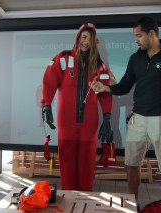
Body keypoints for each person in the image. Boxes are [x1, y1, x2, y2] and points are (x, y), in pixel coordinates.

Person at [90, 16, 161, 212]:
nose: (136, 40)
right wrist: (105, 87)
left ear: (152, 34)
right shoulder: (135, 58)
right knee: (131, 164)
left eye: (139, 36)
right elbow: (124, 86)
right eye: (134, 36)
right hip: (138, 120)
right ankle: (133, 206)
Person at [41, 23, 113, 191]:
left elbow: (105, 93)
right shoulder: (64, 58)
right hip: (66, 120)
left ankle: (85, 198)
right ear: (78, 37)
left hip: (89, 120)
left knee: (87, 161)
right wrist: (46, 106)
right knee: (66, 158)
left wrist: (107, 117)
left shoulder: (100, 66)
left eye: (89, 38)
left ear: (94, 41)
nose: (85, 41)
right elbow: (49, 81)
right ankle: (68, 195)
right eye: (83, 37)